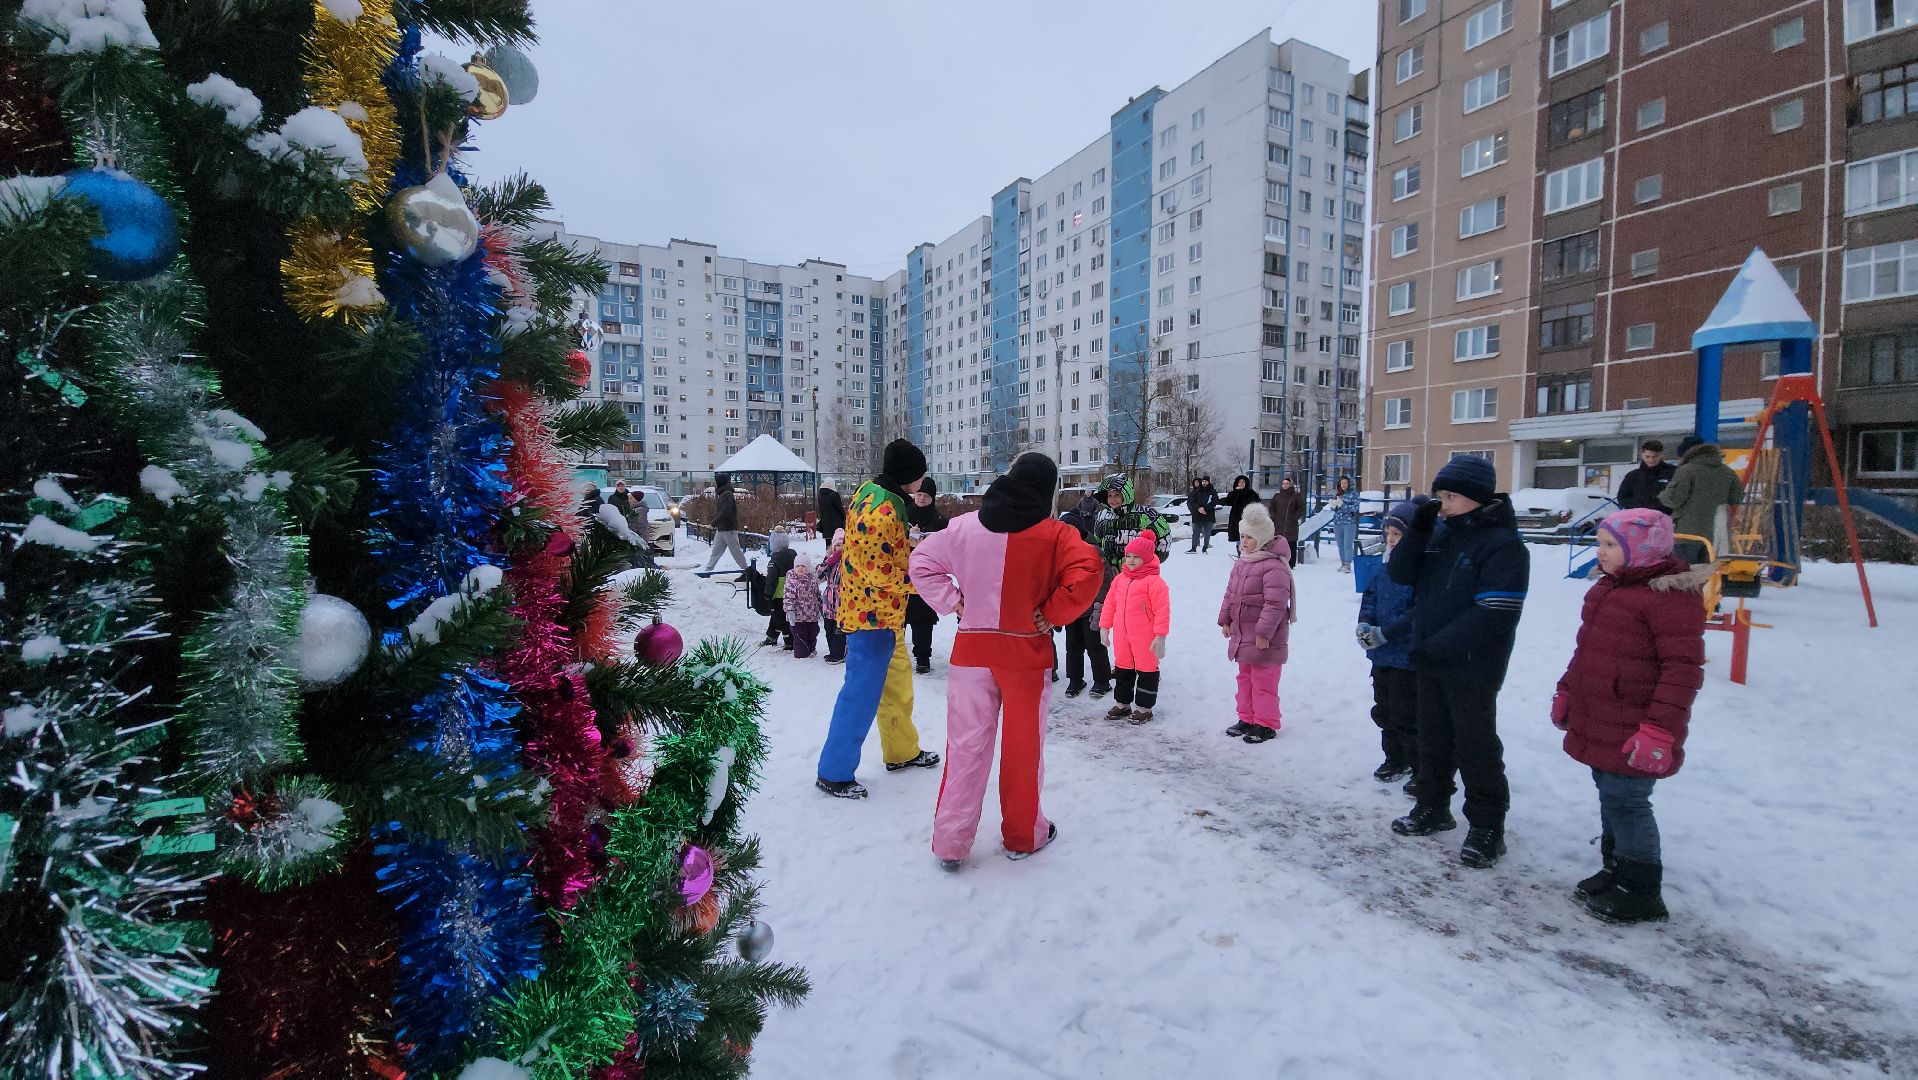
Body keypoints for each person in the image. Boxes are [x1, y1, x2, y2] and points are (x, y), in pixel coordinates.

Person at [909, 452, 1102, 868]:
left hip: (971, 654)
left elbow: (921, 560)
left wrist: (952, 601)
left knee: (965, 747)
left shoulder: (963, 528)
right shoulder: (1055, 534)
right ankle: (1022, 834)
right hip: (1026, 654)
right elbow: (1090, 566)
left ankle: (950, 842)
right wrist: (1054, 612)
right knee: (1023, 748)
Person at [1553, 508, 1707, 924]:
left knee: (1627, 800)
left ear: (1642, 550)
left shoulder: (1668, 598)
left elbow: (1682, 671)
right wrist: (1567, 689)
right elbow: (1586, 651)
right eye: (1600, 543)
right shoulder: (1610, 589)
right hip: (1603, 712)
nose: (1599, 552)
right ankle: (1616, 870)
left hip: (1639, 721)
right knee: (1610, 793)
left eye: (1608, 546)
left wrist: (1659, 730)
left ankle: (1642, 890)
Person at [1374, 455, 1528, 870]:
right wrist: (1420, 528)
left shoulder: (1503, 545)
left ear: (1477, 498)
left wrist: (1438, 646)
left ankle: (1486, 826)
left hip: (1473, 663)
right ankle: (1433, 806)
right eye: (1440, 495)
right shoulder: (1441, 535)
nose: (1443, 504)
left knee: (1475, 744)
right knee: (1432, 737)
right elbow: (1403, 575)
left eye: (1451, 496)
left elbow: (1495, 610)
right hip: (1429, 657)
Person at [815, 439, 941, 798]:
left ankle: (901, 751)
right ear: (909, 477)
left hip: (886, 616)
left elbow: (886, 549)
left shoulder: (877, 494)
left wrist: (912, 544)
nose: (922, 481)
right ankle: (834, 771)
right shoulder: (879, 512)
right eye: (920, 475)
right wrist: (926, 583)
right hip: (870, 617)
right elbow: (878, 573)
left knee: (897, 687)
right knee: (860, 694)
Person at [1356, 498, 1427, 786]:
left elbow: (1418, 612)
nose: (1391, 540)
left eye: (1397, 535)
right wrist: (1365, 623)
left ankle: (1419, 765)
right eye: (1388, 535)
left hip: (1406, 656)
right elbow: (1370, 597)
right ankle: (1394, 757)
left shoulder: (1419, 570)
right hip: (1382, 654)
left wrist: (1387, 632)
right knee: (1383, 710)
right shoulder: (1385, 568)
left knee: (1406, 713)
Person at [1218, 503, 1293, 745]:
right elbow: (1230, 593)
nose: (1245, 541)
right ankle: (1247, 717)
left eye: (1249, 537)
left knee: (1264, 681)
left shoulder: (1274, 566)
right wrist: (1226, 619)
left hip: (1265, 637)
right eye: (1242, 536)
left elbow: (1275, 604)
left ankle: (1266, 723)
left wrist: (1264, 632)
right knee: (1245, 679)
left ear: (1262, 538)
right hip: (1243, 634)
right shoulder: (1242, 562)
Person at [1099, 533, 1171, 724]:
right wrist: (1104, 626)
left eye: (1136, 556)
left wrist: (1160, 636)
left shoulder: (1155, 582)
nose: (1131, 560)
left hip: (1145, 637)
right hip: (1122, 635)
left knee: (1147, 669)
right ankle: (1122, 703)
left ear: (1146, 557)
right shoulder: (1120, 579)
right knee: (1123, 667)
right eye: (1128, 555)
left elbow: (1162, 611)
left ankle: (1144, 708)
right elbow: (1109, 604)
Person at [1058, 495, 1113, 699]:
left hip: (1092, 608)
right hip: (1072, 608)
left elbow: (1105, 580)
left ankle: (1102, 680)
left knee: (1094, 645)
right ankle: (1075, 679)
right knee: (1072, 646)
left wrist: (1100, 605)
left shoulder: (1095, 552)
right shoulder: (1062, 553)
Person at [1660, 437, 1744, 565]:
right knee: (1710, 575)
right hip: (1716, 535)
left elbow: (1674, 499)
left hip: (1688, 534)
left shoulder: (1686, 470)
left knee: (1685, 573)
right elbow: (1736, 497)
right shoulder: (1728, 471)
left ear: (1686, 454)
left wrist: (1663, 495)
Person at [904, 476, 949, 674]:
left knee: (922, 619)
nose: (921, 498)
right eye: (919, 494)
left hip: (926, 578)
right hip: (902, 575)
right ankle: (892, 656)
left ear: (933, 498)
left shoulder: (939, 520)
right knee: (898, 618)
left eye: (926, 496)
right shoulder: (902, 515)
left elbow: (947, 548)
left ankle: (923, 657)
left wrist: (924, 545)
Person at [1092, 473, 1171, 573]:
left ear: (1126, 494)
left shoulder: (1146, 515)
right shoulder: (1102, 517)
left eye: (1117, 495)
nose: (1113, 500)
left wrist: (1149, 562)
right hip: (1110, 573)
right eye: (1110, 495)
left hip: (1139, 573)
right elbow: (1097, 542)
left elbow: (1163, 540)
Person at [701, 472, 747, 572]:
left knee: (736, 551)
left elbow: (725, 512)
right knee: (716, 551)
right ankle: (708, 570)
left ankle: (747, 571)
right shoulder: (724, 493)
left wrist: (713, 523)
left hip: (728, 528)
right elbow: (723, 512)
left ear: (719, 482)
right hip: (722, 528)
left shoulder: (726, 494)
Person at [1614, 440, 1676, 513]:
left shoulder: (1673, 472)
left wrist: (1660, 507)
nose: (1651, 460)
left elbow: (1679, 495)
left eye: (1655, 456)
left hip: (1666, 518)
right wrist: (1640, 507)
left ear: (1661, 454)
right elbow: (1622, 498)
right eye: (1647, 456)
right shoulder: (1632, 476)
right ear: (1642, 455)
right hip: (1639, 519)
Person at [782, 554, 823, 659]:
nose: (800, 568)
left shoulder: (813, 581)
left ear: (808, 568)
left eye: (803, 566)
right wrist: (790, 611)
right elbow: (788, 598)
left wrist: (822, 607)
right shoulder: (791, 582)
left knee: (813, 633)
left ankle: (811, 650)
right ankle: (801, 656)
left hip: (812, 615)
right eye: (798, 566)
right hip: (797, 617)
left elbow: (818, 596)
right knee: (800, 636)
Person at [761, 527, 796, 649]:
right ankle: (772, 635)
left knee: (780, 617)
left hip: (778, 594)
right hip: (792, 593)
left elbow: (771, 579)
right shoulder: (793, 555)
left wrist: (767, 594)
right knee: (777, 616)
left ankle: (789, 640)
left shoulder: (774, 560)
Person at [819, 529, 848, 665]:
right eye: (837, 545)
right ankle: (833, 652)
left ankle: (839, 653)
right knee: (828, 627)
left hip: (843, 600)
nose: (839, 548)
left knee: (839, 628)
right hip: (829, 599)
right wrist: (830, 562)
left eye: (843, 545)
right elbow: (818, 576)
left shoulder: (849, 561)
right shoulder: (829, 560)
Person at [1268, 477, 1306, 568]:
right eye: (1283, 483)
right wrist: (1273, 516)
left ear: (1290, 485)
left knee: (1291, 544)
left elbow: (1301, 508)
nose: (1285, 485)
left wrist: (1295, 517)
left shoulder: (1296, 496)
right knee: (1278, 544)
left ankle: (1291, 564)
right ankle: (1277, 562)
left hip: (1291, 525)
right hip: (1278, 524)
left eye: (1287, 483)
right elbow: (1271, 507)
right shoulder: (1277, 496)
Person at [1331, 475, 1361, 573]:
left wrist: (1343, 505)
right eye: (1341, 483)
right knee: (1340, 545)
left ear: (1349, 484)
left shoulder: (1354, 494)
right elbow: (1334, 508)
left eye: (1345, 483)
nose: (1343, 485)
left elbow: (1355, 508)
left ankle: (1348, 564)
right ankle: (1343, 563)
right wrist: (1333, 505)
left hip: (1349, 523)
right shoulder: (1338, 494)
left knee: (1347, 544)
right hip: (1337, 522)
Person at [1220, 474, 1260, 547]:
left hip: (1247, 520)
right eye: (1239, 482)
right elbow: (1228, 502)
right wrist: (1235, 492)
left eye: (1243, 482)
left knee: (1248, 539)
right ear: (1237, 483)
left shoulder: (1251, 493)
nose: (1241, 484)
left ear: (1246, 483)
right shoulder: (1233, 493)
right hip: (1236, 520)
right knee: (1238, 539)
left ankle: (1246, 555)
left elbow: (1258, 504)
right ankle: (1240, 555)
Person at [1186, 475, 1218, 553]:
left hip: (1208, 515)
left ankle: (1205, 548)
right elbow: (1193, 501)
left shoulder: (1212, 491)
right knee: (1195, 533)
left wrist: (1205, 508)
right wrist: (1199, 508)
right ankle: (1193, 548)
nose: (1204, 483)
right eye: (1203, 481)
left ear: (1208, 482)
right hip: (1197, 516)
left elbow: (1215, 501)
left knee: (1207, 533)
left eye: (1206, 481)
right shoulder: (1197, 491)